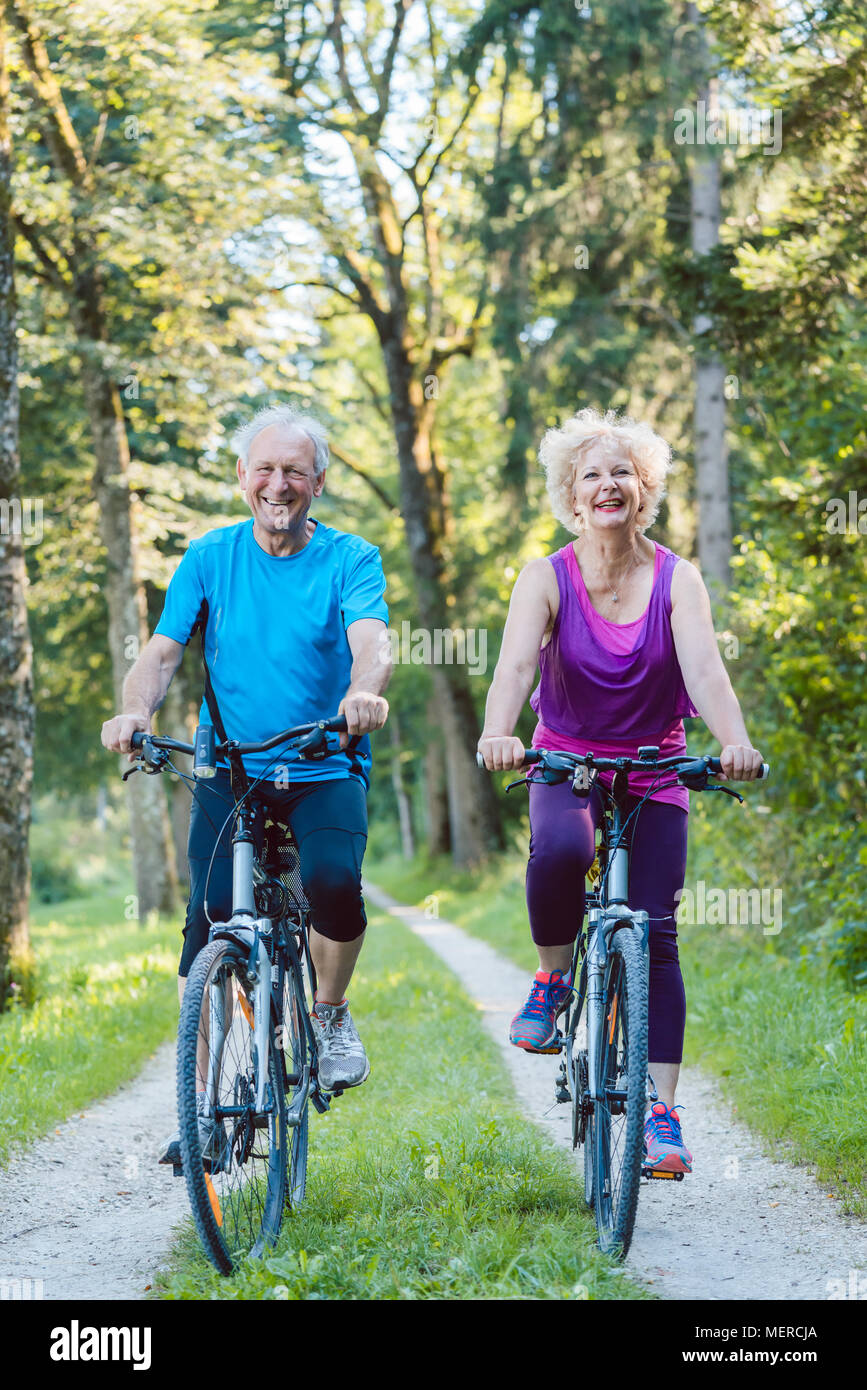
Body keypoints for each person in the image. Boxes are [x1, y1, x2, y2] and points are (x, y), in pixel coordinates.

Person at [101, 404, 391, 1163]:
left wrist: (364, 692)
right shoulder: (209, 556)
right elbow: (162, 653)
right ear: (241, 478)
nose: (278, 483)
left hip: (323, 761)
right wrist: (133, 711)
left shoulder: (351, 559)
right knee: (206, 925)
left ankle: (326, 1015)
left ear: (318, 483)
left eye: (295, 471)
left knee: (332, 882)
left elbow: (371, 642)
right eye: (264, 468)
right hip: (228, 768)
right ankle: (199, 1109)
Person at [477, 407, 763, 1175]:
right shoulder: (545, 577)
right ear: (571, 497)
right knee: (559, 851)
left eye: (623, 473)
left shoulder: (677, 578)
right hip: (564, 758)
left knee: (656, 929)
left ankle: (660, 1116)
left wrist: (732, 743)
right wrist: (497, 732)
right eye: (591, 474)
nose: (608, 485)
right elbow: (513, 668)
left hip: (654, 767)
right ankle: (552, 976)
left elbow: (704, 670)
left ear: (644, 493)